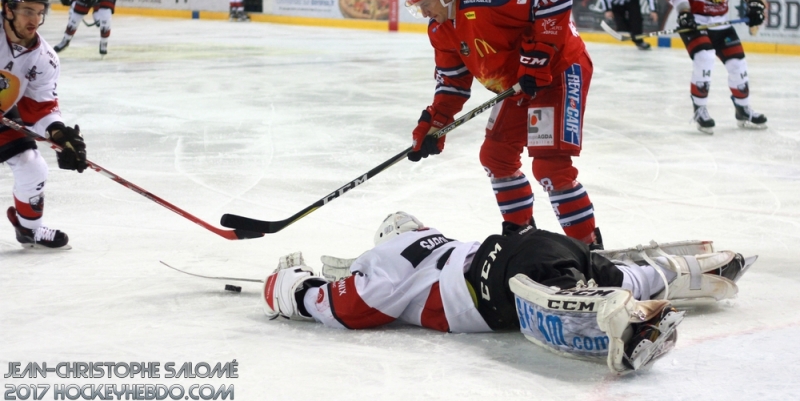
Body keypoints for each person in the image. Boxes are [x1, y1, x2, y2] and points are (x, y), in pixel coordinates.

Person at [261, 211, 754, 373]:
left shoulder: (390, 257)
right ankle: (687, 269)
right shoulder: (433, 241)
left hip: (491, 282)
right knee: (614, 271)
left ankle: (624, 320)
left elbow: (355, 305)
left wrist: (291, 290)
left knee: (556, 295)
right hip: (532, 244)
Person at [401, 0, 600, 246]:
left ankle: (590, 249)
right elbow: (452, 83)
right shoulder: (440, 29)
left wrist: (537, 58)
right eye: (415, 6)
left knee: (550, 167)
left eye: (424, 3)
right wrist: (436, 122)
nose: (422, 11)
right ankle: (522, 241)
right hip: (520, 83)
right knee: (496, 156)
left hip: (558, 70)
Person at [1, 0, 89, 249]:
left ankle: (29, 230)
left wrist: (59, 134)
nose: (35, 19)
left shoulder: (44, 58)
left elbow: (40, 107)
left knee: (32, 166)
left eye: (39, 12)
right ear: (7, 9)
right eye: (28, 10)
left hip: (5, 109)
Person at [668, 0, 767, 134]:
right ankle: (700, 110)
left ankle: (743, 110)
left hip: (720, 23)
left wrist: (754, 3)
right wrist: (685, 14)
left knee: (738, 64)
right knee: (705, 56)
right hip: (695, 23)